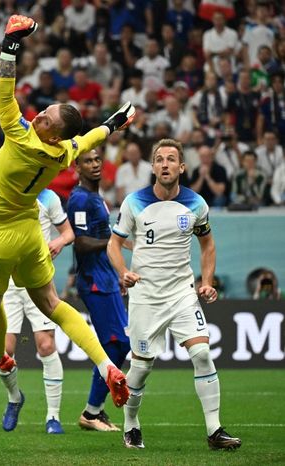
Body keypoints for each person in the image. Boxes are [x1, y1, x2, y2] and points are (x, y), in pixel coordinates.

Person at [0, 15, 133, 410]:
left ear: (51, 133)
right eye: (44, 111)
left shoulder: (21, 136)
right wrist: (112, 125)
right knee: (53, 304)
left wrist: (11, 44)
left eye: (46, 119)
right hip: (28, 230)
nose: (38, 115)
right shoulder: (63, 152)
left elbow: (2, 91)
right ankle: (107, 365)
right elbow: (86, 137)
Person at [107, 138, 241, 451]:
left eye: (171, 159)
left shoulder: (196, 204)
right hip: (145, 296)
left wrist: (206, 280)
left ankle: (214, 430)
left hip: (182, 294)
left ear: (181, 167)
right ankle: (130, 424)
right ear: (152, 167)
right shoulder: (134, 203)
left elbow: (207, 244)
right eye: (159, 159)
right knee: (140, 368)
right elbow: (114, 243)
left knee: (202, 354)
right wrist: (122, 272)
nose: (164, 164)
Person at [0, 188, 75, 434]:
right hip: (8, 282)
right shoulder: (2, 190)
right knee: (3, 353)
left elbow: (68, 232)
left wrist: (59, 241)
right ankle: (15, 396)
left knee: (46, 346)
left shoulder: (48, 197)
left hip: (38, 280)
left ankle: (53, 417)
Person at [67, 149, 131, 432]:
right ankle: (91, 413)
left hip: (106, 279)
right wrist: (113, 241)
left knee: (118, 344)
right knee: (117, 343)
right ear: (76, 166)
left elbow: (103, 241)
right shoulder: (80, 199)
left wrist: (118, 271)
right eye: (87, 161)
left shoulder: (97, 198)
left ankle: (95, 411)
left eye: (96, 160)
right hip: (93, 281)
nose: (94, 165)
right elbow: (80, 243)